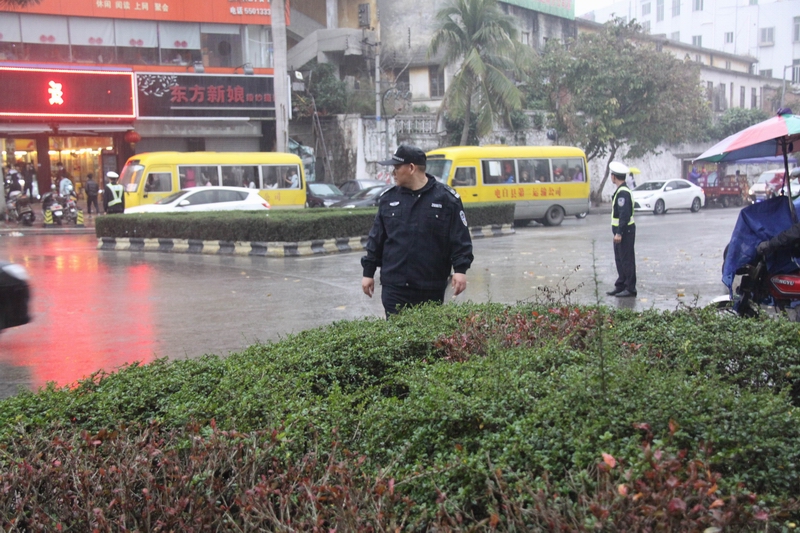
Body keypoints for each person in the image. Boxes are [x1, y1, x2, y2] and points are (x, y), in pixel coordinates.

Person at [361, 145, 474, 316]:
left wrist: (460, 270)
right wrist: (368, 273)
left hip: (430, 286)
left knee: (427, 331)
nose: (393, 172)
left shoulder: (446, 199)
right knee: (396, 331)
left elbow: (460, 238)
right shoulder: (388, 199)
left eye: (397, 167)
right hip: (395, 285)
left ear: (411, 168)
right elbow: (376, 239)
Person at [606, 161, 637, 297]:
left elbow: (624, 215)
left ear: (614, 177)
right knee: (620, 259)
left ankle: (630, 288)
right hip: (621, 232)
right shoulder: (621, 191)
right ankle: (621, 285)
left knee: (626, 260)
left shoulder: (623, 193)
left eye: (611, 175)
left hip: (625, 232)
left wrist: (619, 232)